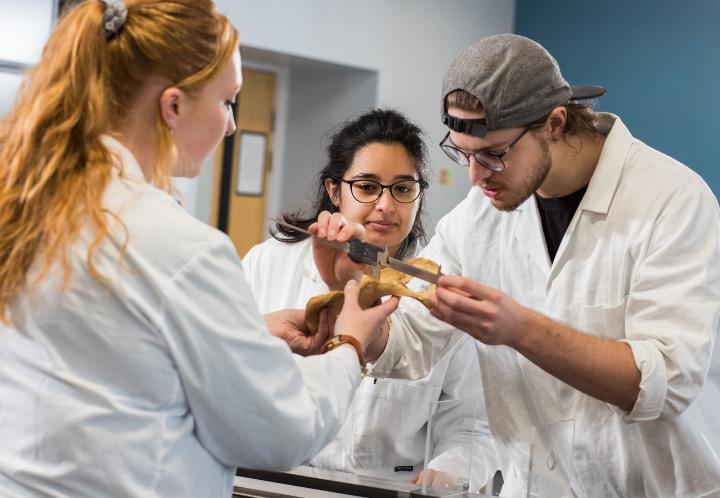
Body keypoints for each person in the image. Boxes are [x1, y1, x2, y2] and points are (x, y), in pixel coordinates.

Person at [0, 1, 397, 497]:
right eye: (228, 102)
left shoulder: (29, 206)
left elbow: (119, 355)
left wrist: (248, 334)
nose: (231, 125)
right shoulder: (179, 248)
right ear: (173, 107)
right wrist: (350, 345)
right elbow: (282, 432)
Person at [314, 34, 720, 497]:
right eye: (462, 153)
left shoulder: (672, 201)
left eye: (494, 154)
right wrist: (355, 293)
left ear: (555, 122)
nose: (475, 175)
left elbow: (665, 382)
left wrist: (519, 330)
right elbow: (412, 339)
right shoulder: (477, 218)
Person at [242, 108, 497, 488]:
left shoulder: (436, 288)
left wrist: (446, 474)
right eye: (366, 186)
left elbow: (471, 424)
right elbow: (224, 379)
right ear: (334, 191)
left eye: (403, 188)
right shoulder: (269, 264)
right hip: (273, 484)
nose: (386, 205)